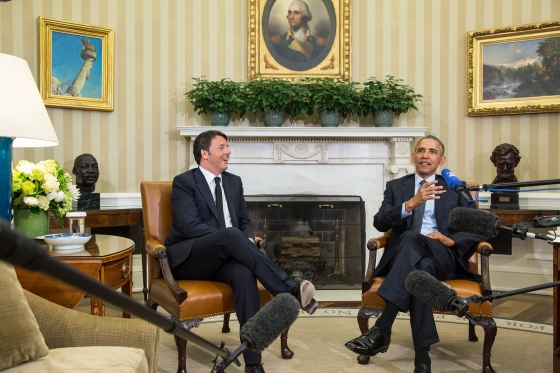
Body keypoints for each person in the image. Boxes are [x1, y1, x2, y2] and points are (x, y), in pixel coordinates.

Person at [164, 130, 317, 373]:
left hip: (225, 256)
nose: (228, 151)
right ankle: (289, 289)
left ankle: (253, 365)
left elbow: (244, 222)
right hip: (191, 257)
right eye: (222, 147)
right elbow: (188, 226)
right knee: (231, 234)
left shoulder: (233, 182)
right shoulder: (184, 182)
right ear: (205, 153)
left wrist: (239, 241)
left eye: (228, 146)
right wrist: (228, 239)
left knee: (244, 275)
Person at [344, 135, 486, 373]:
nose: (425, 155)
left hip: (444, 256)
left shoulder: (454, 189)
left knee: (412, 239)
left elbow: (479, 226)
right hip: (408, 260)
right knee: (421, 273)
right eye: (420, 150)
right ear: (413, 157)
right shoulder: (396, 187)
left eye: (432, 151)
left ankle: (383, 327)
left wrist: (449, 239)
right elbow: (380, 223)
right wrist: (409, 204)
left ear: (441, 159)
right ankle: (422, 359)